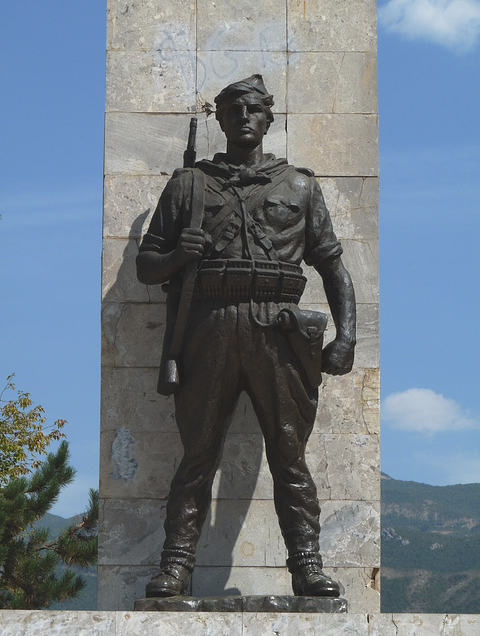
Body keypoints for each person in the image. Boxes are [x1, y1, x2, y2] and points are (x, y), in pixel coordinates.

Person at [136, 74, 356, 598]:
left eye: (254, 108)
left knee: (288, 453)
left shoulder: (300, 186)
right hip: (208, 323)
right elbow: (148, 266)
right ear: (219, 118)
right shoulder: (189, 184)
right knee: (197, 453)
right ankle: (176, 566)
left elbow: (332, 265)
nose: (245, 116)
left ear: (268, 117)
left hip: (278, 327)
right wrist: (178, 255)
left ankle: (306, 565)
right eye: (234, 108)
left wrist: (347, 336)